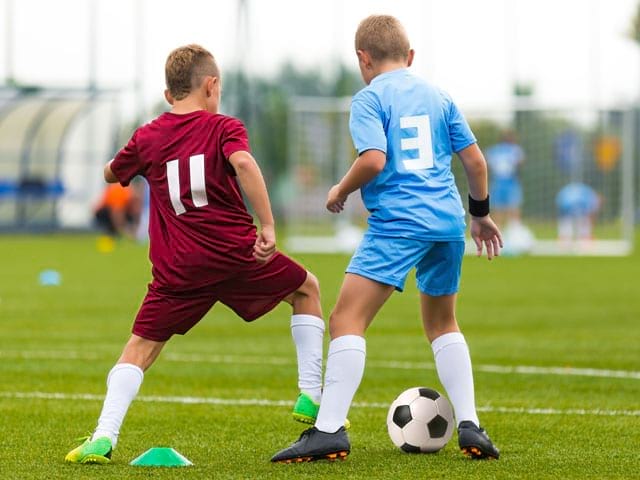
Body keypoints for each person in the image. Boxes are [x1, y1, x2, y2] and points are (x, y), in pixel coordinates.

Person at [65, 44, 326, 464]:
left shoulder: (148, 136)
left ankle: (102, 436)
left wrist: (126, 159)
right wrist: (269, 225)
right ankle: (310, 396)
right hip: (234, 253)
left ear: (169, 95)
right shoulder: (224, 126)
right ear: (212, 85)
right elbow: (243, 163)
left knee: (140, 347)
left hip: (178, 266)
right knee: (306, 290)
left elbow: (112, 172)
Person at [271, 15, 503, 463]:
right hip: (447, 223)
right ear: (410, 57)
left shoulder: (368, 98)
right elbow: (475, 163)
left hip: (398, 222)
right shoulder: (439, 96)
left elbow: (374, 160)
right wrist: (481, 216)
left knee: (345, 319)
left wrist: (340, 189)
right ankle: (471, 424)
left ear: (364, 59)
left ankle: (329, 430)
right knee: (442, 324)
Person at [486, 130, 525, 229]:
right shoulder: (515, 149)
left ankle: (497, 229)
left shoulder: (493, 150)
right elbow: (521, 161)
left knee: (498, 208)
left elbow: (486, 162)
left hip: (497, 180)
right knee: (513, 206)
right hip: (510, 181)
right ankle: (514, 230)